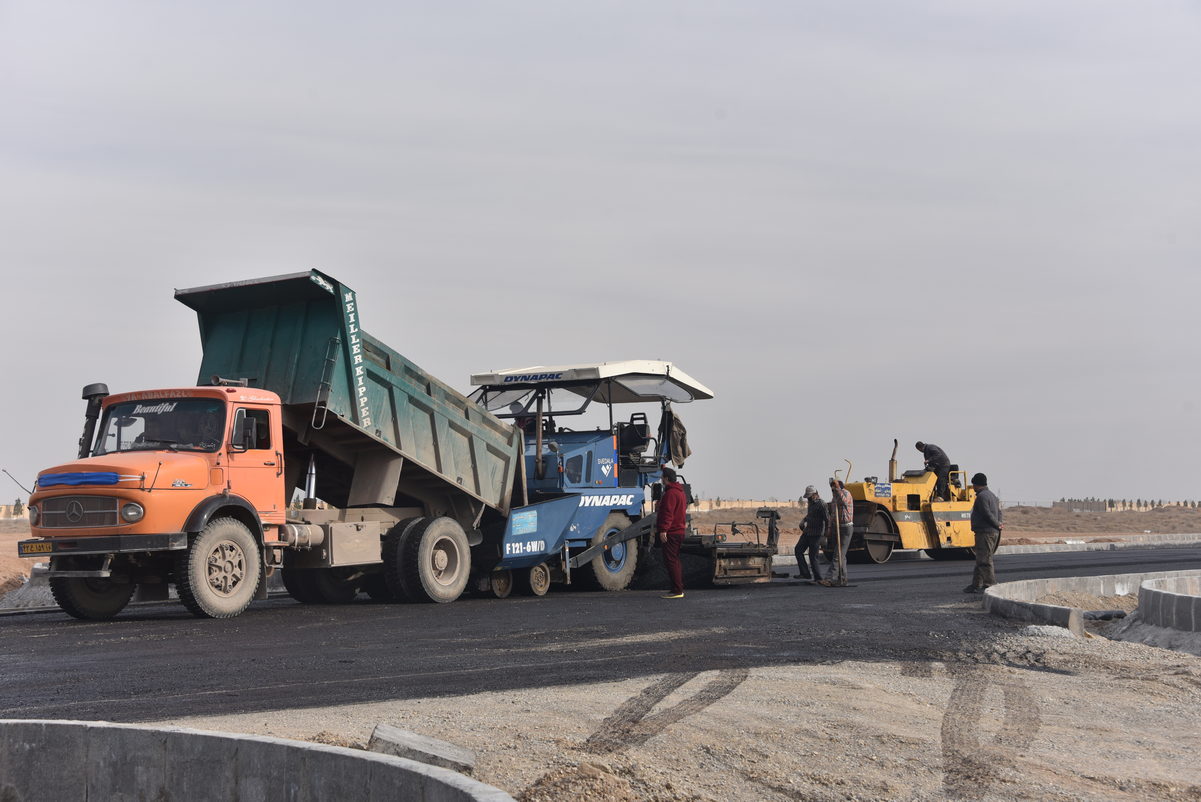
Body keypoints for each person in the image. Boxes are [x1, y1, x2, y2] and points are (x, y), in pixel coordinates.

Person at [965, 472, 1003, 594]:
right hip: (992, 532)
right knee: (981, 558)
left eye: (973, 484)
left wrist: (997, 524)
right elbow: (999, 512)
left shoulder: (981, 497)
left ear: (976, 484)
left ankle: (990, 585)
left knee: (985, 560)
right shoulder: (992, 495)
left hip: (985, 532)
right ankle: (976, 584)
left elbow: (986, 514)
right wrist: (999, 524)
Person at [656, 466, 688, 599]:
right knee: (674, 560)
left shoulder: (670, 494)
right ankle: (677, 588)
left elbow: (668, 514)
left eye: (662, 477)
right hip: (679, 531)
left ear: (666, 479)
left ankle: (677, 590)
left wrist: (663, 529)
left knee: (671, 561)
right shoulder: (680, 492)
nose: (661, 479)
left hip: (672, 532)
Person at [820, 478, 854, 586]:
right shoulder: (834, 497)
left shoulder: (846, 494)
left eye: (834, 488)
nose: (832, 490)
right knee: (841, 555)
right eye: (832, 489)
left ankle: (830, 578)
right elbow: (833, 514)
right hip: (838, 528)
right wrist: (830, 528)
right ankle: (843, 579)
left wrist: (838, 489)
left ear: (839, 486)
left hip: (847, 528)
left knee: (837, 554)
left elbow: (843, 502)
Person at [794, 485, 828, 582]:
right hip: (807, 531)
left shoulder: (822, 504)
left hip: (816, 534)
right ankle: (805, 574)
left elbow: (827, 519)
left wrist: (826, 532)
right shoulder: (810, 503)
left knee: (813, 556)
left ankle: (818, 578)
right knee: (798, 550)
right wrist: (803, 520)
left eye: (810, 496)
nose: (808, 498)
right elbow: (810, 514)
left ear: (815, 494)